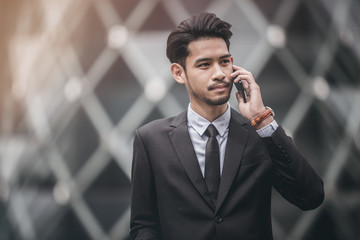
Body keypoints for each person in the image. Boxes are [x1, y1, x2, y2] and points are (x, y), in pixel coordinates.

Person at [130, 12, 324, 240]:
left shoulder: (262, 133)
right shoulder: (151, 139)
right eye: (204, 65)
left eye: (224, 62)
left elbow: (310, 196)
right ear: (179, 73)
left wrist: (263, 119)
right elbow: (143, 225)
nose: (220, 74)